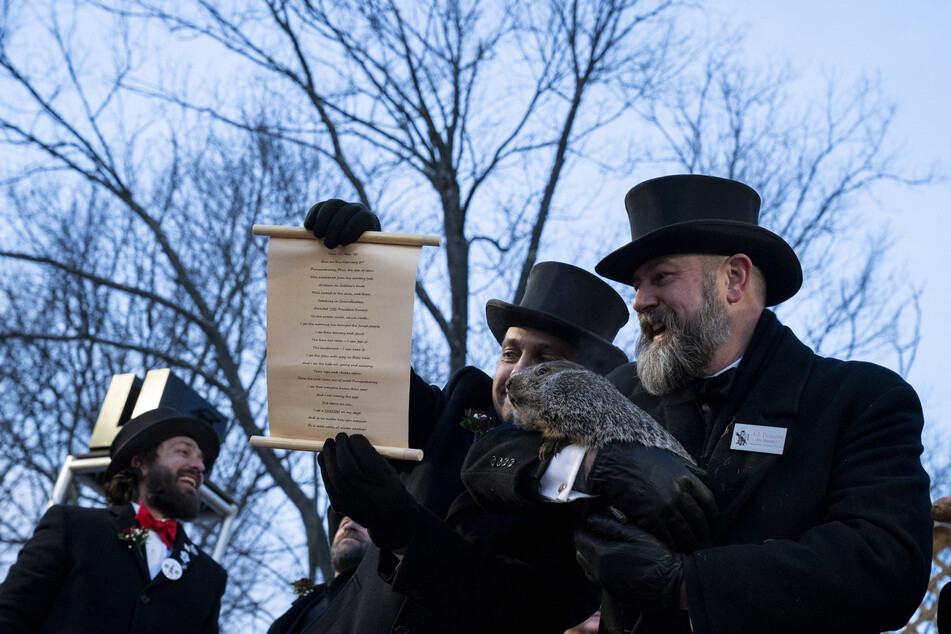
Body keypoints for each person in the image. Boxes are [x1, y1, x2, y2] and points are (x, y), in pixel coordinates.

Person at [462, 174, 933, 633]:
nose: (640, 302)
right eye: (637, 285)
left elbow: (885, 566)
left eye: (661, 277)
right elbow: (489, 462)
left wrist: (684, 584)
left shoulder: (856, 398)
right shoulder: (623, 387)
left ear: (733, 278)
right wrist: (595, 466)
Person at [297, 199, 703, 632]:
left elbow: (524, 606)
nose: (518, 373)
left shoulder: (597, 486)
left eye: (546, 361)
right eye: (511, 353)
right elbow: (359, 376)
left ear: (588, 383)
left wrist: (401, 527)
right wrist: (356, 268)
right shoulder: (458, 407)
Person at [0, 406, 227, 633]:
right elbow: (10, 613)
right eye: (184, 452)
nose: (199, 467)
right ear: (141, 463)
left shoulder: (209, 577)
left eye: (201, 460)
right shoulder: (73, 527)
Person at [268, 511, 371, 634]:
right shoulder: (300, 610)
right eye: (343, 523)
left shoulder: (383, 593)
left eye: (362, 523)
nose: (349, 526)